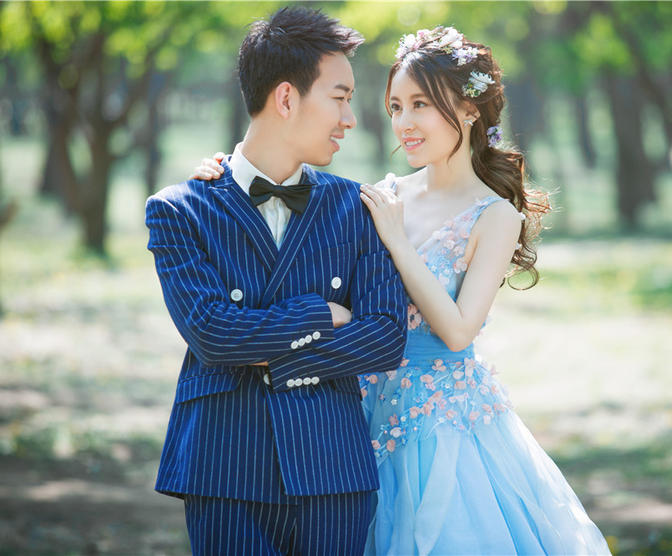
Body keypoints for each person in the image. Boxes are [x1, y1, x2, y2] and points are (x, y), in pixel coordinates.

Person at [195, 26, 609, 556]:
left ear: (469, 110)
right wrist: (224, 174)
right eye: (395, 106)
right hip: (359, 410)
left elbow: (458, 331)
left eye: (420, 105)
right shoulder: (383, 195)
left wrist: (397, 241)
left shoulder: (494, 216)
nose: (404, 123)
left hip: (444, 424)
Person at [146, 7, 407, 555]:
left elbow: (385, 337)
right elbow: (214, 334)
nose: (350, 118)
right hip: (225, 465)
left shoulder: (358, 207)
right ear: (287, 98)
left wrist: (271, 356)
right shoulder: (180, 209)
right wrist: (321, 314)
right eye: (339, 97)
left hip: (333, 467)